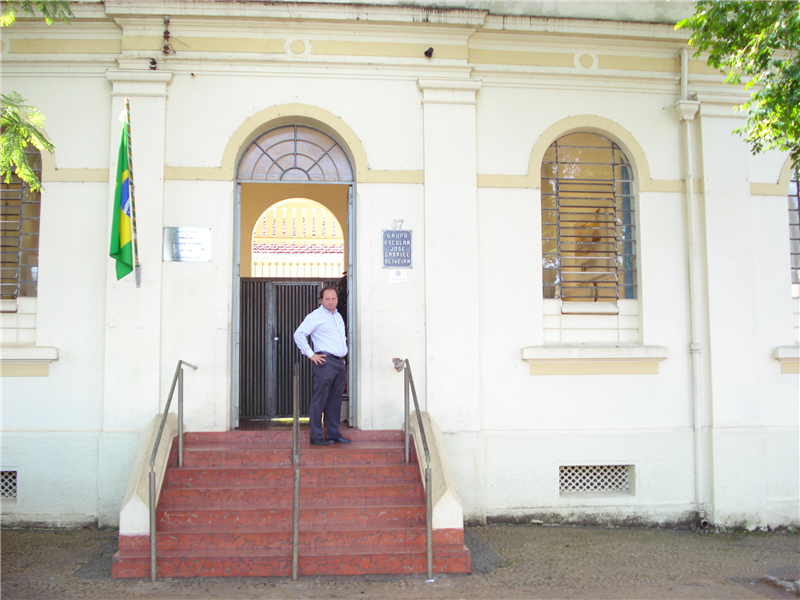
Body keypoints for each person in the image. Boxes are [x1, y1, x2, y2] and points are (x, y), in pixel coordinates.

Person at [293, 286, 351, 446]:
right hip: (325, 362)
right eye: (327, 299)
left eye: (333, 299)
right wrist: (311, 354)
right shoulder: (315, 316)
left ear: (337, 300)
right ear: (321, 300)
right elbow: (298, 334)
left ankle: (333, 434)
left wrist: (342, 356)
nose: (331, 302)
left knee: (336, 400)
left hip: (339, 363)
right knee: (320, 399)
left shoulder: (338, 316)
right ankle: (316, 436)